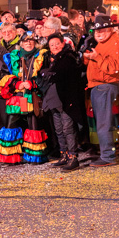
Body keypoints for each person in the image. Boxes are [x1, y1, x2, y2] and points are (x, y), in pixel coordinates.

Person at [0, 31, 49, 165]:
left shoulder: (42, 56)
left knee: (33, 124)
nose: (28, 43)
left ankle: (33, 156)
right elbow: (4, 74)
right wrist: (16, 83)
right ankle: (10, 156)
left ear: (35, 42)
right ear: (21, 43)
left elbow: (46, 75)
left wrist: (32, 84)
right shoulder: (12, 57)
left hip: (33, 96)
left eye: (31, 41)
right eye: (25, 41)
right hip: (17, 96)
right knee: (11, 124)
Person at [83, 14, 119, 167]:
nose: (99, 34)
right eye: (96, 31)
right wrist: (89, 57)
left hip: (105, 85)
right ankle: (106, 153)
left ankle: (108, 156)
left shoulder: (115, 43)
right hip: (99, 85)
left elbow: (114, 68)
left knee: (103, 122)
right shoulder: (106, 42)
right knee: (102, 122)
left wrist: (96, 57)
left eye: (102, 30)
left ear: (110, 29)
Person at [42, 34, 84, 171]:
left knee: (68, 129)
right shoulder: (49, 58)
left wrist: (49, 73)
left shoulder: (68, 57)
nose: (54, 47)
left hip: (66, 100)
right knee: (59, 129)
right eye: (52, 45)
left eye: (57, 44)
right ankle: (64, 154)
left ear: (62, 43)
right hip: (54, 100)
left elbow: (63, 75)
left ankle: (73, 157)